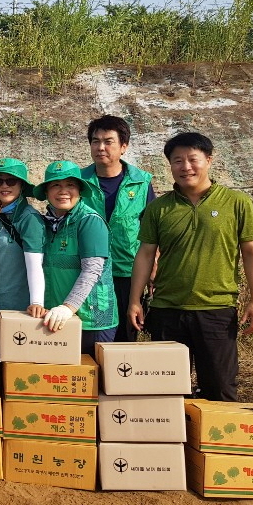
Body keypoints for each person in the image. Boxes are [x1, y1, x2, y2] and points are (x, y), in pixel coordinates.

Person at [129, 132, 253, 402]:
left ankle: (214, 431)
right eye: (177, 161)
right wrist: (135, 300)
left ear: (209, 160)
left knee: (220, 388)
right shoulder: (159, 208)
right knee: (165, 391)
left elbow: (252, 253)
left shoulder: (236, 203)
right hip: (167, 310)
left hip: (216, 310)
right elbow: (145, 255)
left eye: (193, 159)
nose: (186, 167)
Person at [80, 115, 156, 341]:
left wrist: (153, 267)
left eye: (108, 141)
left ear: (124, 146)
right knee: (90, 336)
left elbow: (152, 231)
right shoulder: (78, 181)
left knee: (124, 338)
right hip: (86, 272)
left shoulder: (141, 183)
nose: (100, 147)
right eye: (95, 141)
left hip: (128, 273)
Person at [34, 161, 117, 354]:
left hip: (91, 320)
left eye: (70, 185)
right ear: (46, 192)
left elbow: (92, 270)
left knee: (92, 371)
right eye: (56, 185)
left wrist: (67, 307)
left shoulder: (89, 221)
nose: (63, 191)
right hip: (56, 317)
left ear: (79, 190)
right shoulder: (46, 223)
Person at [0, 158, 46, 329]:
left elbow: (35, 263)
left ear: (21, 185)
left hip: (16, 308)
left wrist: (37, 302)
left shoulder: (29, 218)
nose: (4, 185)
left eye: (11, 181)